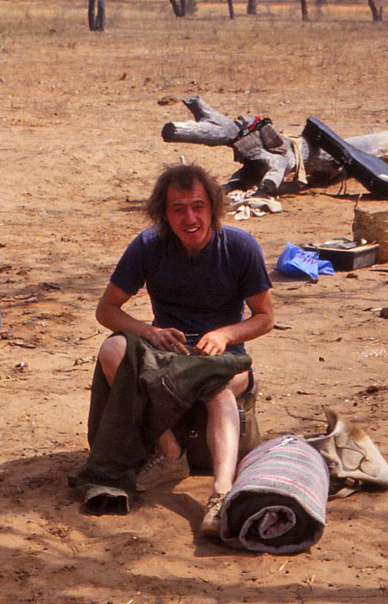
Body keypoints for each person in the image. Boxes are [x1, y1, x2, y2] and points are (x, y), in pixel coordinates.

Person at [93, 163, 274, 537]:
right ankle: (171, 454)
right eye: (178, 209)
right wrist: (148, 331)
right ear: (163, 214)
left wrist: (224, 334)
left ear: (213, 207)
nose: (190, 218)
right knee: (113, 351)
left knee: (219, 387)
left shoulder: (241, 247)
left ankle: (220, 496)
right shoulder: (148, 245)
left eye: (198, 206)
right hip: (169, 352)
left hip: (224, 355)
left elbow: (264, 317)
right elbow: (106, 310)